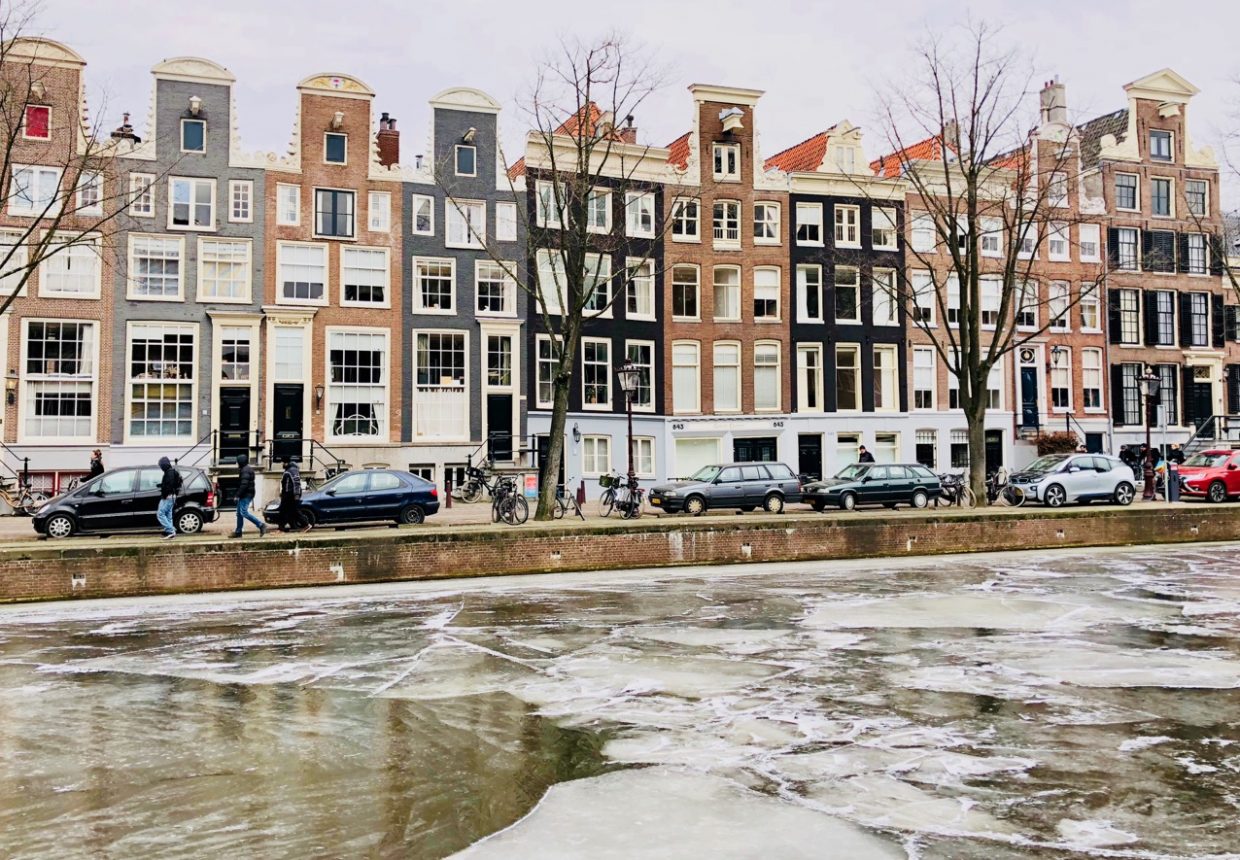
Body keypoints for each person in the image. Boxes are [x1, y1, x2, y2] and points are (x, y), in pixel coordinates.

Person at [230, 454, 266, 538]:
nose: (237, 464)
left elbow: (244, 485)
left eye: (238, 462)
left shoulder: (245, 470)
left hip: (246, 494)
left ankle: (261, 525)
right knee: (239, 513)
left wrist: (237, 495)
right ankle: (238, 532)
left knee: (244, 512)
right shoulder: (246, 469)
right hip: (247, 493)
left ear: (240, 462)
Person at [156, 457, 182, 539]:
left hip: (168, 496)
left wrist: (166, 493)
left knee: (160, 514)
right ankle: (169, 532)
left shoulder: (169, 473)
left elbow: (169, 485)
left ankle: (170, 531)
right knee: (168, 515)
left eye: (161, 466)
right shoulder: (172, 472)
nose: (161, 467)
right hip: (172, 496)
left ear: (164, 465)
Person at [278, 459, 305, 532]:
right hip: (287, 493)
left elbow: (296, 482)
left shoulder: (292, 470)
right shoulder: (288, 470)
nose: (282, 464)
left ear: (288, 463)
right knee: (288, 510)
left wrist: (296, 495)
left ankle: (281, 528)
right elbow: (286, 483)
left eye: (284, 462)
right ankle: (283, 528)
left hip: (290, 494)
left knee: (285, 510)